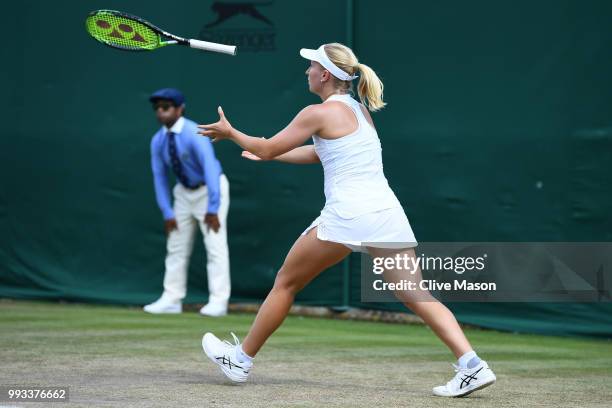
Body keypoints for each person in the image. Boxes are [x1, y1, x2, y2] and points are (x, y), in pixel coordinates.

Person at [198, 44, 496, 396]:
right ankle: (472, 365)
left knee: (286, 283)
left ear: (325, 74)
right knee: (416, 292)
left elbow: (267, 147)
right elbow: (319, 152)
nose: (306, 71)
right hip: (385, 213)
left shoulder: (316, 113)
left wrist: (233, 134)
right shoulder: (360, 110)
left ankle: (240, 361)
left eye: (311, 66)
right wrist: (273, 155)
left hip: (347, 215)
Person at [144, 88, 231, 317]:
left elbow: (211, 168)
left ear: (179, 109)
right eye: (157, 108)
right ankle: (171, 299)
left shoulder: (194, 133)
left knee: (215, 246)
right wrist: (167, 212)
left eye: (166, 107)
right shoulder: (158, 140)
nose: (160, 113)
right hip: (183, 194)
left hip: (210, 190)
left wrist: (213, 207)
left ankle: (218, 302)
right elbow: (159, 177)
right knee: (176, 245)